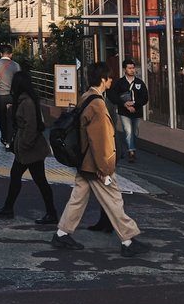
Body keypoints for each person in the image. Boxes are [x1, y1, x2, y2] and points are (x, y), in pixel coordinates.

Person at [51, 62, 151, 256]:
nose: (112, 80)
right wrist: (104, 168)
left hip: (84, 161)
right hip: (96, 163)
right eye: (110, 78)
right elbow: (99, 139)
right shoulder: (97, 104)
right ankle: (128, 240)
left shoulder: (86, 97)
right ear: (103, 80)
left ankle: (62, 233)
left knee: (78, 198)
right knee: (113, 199)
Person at [0, 71, 58, 224]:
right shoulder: (25, 100)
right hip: (29, 148)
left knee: (37, 180)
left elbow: (30, 126)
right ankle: (10, 208)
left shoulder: (26, 102)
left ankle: (50, 213)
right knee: (24, 177)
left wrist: (24, 145)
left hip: (29, 148)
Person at [108, 58, 148, 163]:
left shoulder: (140, 83)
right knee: (128, 131)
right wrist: (124, 104)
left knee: (134, 132)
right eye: (129, 68)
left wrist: (135, 104)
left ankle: (132, 147)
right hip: (124, 112)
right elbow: (113, 95)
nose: (132, 70)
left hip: (137, 111)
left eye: (133, 68)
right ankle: (131, 152)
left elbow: (145, 98)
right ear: (124, 69)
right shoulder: (120, 83)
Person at [0, 45, 20, 149]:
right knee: (12, 117)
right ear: (11, 54)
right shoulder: (16, 65)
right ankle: (12, 138)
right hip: (13, 96)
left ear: (0, 54)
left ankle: (4, 138)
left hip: (1, 95)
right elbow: (19, 81)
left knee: (2, 117)